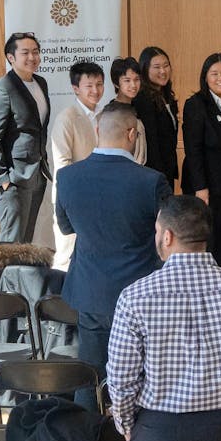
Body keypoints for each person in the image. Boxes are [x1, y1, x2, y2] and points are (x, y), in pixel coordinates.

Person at [107, 196, 221, 441]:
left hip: (157, 427)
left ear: (167, 236)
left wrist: (125, 424)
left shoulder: (135, 296)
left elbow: (122, 376)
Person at [56, 103, 172, 411]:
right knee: (145, 377)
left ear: (97, 131)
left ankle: (87, 433)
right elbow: (167, 239)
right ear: (132, 134)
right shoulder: (152, 181)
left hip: (90, 291)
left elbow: (67, 227)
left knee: (90, 376)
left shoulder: (67, 177)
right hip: (141, 295)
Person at [0, 32, 51, 243]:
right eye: (25, 53)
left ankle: (20, 277)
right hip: (12, 178)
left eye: (36, 52)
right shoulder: (1, 89)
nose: (32, 57)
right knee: (10, 244)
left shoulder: (41, 82)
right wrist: (3, 181)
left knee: (25, 243)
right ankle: (3, 278)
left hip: (36, 174)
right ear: (11, 57)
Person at [182, 53, 221, 272]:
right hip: (207, 186)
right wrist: (201, 188)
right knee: (209, 239)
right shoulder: (196, 104)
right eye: (214, 74)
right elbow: (193, 150)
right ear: (205, 77)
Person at [50, 61, 105, 270]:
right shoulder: (67, 118)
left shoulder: (104, 115)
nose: (95, 90)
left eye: (99, 84)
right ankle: (59, 301)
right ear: (76, 89)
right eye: (89, 86)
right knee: (68, 254)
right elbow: (62, 165)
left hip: (99, 195)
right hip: (73, 196)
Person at [134, 46, 179, 187]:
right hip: (154, 173)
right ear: (145, 69)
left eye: (166, 66)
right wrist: (160, 176)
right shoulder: (143, 99)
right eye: (157, 67)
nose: (163, 71)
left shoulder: (166, 96)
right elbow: (151, 141)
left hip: (167, 169)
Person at [106, 56, 147, 165]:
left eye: (136, 79)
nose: (133, 85)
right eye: (127, 80)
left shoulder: (139, 107)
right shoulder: (111, 113)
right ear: (116, 83)